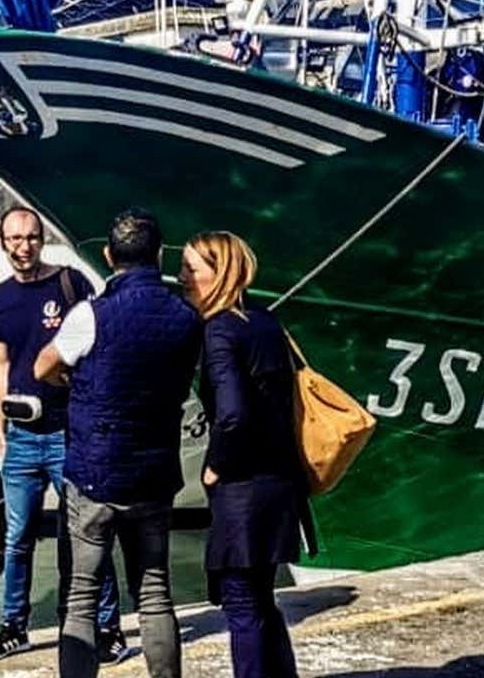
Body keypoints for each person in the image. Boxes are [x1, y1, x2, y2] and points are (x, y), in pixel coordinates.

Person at [36, 208, 203, 678]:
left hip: (94, 473)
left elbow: (41, 367)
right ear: (160, 255)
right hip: (154, 473)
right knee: (154, 592)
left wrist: (77, 381)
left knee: (82, 599)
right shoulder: (185, 318)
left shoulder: (90, 314)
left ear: (108, 256)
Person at [0, 206, 131, 664]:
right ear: (2, 243)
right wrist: (0, 423)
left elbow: (93, 351)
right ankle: (13, 626)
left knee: (85, 533)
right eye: (14, 239)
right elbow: (1, 363)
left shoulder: (70, 285)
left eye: (30, 238)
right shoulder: (0, 298)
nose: (23, 247)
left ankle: (106, 627)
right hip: (23, 436)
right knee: (17, 535)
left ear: (41, 240)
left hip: (69, 431)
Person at [181, 231, 306, 678]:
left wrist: (214, 467)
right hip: (281, 481)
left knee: (241, 605)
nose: (182, 278)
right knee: (263, 599)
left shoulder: (219, 331)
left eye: (191, 269)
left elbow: (232, 414)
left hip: (243, 490)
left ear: (220, 274)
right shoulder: (265, 320)